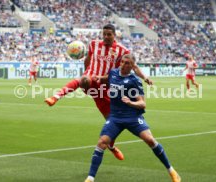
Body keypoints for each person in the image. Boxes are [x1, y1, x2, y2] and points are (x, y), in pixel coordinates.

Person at [45, 24, 153, 160]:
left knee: (110, 121)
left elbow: (134, 66)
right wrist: (86, 73)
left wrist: (145, 78)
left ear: (115, 35)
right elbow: (88, 59)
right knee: (82, 79)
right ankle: (55, 97)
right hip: (91, 78)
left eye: (109, 34)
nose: (106, 37)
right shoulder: (93, 44)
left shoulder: (122, 50)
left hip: (106, 87)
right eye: (104, 34)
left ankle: (112, 147)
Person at [84, 54, 181, 182]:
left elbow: (142, 103)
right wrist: (98, 78)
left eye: (127, 63)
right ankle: (90, 179)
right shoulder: (113, 72)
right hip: (115, 117)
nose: (123, 64)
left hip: (132, 117)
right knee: (102, 143)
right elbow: (107, 79)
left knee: (150, 140)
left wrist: (131, 103)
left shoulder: (135, 80)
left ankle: (172, 171)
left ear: (132, 66)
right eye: (123, 62)